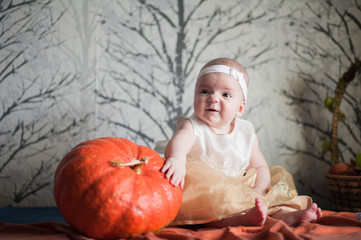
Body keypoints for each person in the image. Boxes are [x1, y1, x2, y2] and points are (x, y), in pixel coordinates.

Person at [160, 57, 322, 227]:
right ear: (194, 97)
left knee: (276, 186)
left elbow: (259, 166)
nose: (213, 98)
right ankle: (242, 219)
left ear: (240, 108)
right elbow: (178, 143)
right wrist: (177, 159)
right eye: (205, 91)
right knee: (214, 205)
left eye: (226, 94)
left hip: (243, 188)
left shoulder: (246, 132)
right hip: (207, 192)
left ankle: (286, 215)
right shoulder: (193, 126)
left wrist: (258, 191)